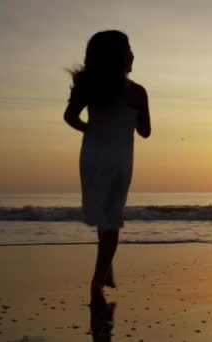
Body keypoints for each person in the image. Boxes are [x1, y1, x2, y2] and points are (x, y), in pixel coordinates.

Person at [64, 30, 151, 306]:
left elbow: (70, 117)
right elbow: (146, 131)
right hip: (119, 159)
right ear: (121, 58)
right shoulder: (136, 92)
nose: (133, 55)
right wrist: (132, 119)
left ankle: (105, 265)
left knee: (102, 214)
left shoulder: (89, 87)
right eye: (129, 50)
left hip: (91, 156)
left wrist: (90, 129)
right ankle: (97, 282)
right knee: (112, 219)